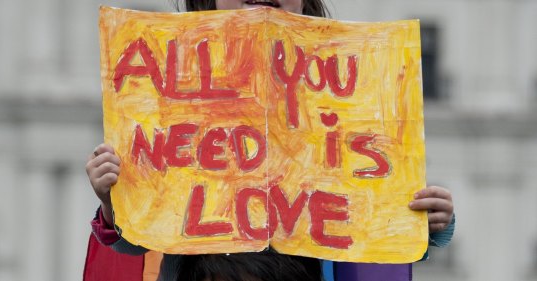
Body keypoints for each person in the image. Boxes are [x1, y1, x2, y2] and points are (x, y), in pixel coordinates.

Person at [85, 0, 455, 280]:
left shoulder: (345, 84)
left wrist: (431, 223)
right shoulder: (168, 82)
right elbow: (136, 241)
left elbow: (369, 227)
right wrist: (111, 204)